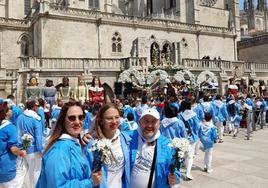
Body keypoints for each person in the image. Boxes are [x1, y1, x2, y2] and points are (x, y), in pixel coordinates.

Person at [36, 101, 102, 187]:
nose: (77, 122)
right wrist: (90, 182)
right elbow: (57, 185)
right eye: (72, 118)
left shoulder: (76, 144)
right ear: (63, 121)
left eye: (81, 117)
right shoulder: (58, 151)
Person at [129, 108, 181, 187]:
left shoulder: (168, 145)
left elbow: (175, 169)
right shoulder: (129, 139)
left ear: (159, 124)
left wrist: (174, 177)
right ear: (139, 122)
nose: (149, 125)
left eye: (153, 121)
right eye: (146, 121)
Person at [84, 103, 131, 188]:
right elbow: (86, 174)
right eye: (109, 118)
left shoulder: (125, 139)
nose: (114, 121)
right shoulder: (92, 144)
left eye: (117, 117)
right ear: (101, 121)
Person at [16, 100, 43, 188]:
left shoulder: (20, 117)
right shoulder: (36, 119)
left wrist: (20, 146)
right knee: (35, 172)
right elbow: (38, 137)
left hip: (21, 149)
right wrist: (41, 150)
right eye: (38, 106)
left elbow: (18, 133)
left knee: (20, 173)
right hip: (34, 150)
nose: (39, 108)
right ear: (34, 106)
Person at [0, 102, 26, 188]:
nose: (11, 110)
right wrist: (21, 152)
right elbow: (13, 149)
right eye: (9, 109)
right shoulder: (10, 127)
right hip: (6, 168)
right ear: (6, 113)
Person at [178, 100, 200, 180]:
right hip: (192, 136)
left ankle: (178, 170)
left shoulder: (179, 114)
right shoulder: (193, 114)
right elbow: (197, 126)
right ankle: (187, 173)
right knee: (190, 156)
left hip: (181, 137)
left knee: (180, 153)